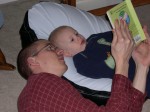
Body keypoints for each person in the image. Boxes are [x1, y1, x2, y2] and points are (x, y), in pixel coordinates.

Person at [17, 20, 149, 112]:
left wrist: (142, 65)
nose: (59, 51)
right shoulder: (41, 83)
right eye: (50, 48)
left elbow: (129, 109)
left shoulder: (47, 89)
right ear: (33, 62)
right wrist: (121, 61)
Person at [49, 22, 150, 97]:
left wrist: (128, 31)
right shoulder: (80, 60)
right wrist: (116, 56)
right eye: (72, 40)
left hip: (138, 51)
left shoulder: (93, 38)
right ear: (66, 53)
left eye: (76, 33)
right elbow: (97, 70)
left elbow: (114, 34)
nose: (78, 37)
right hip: (134, 72)